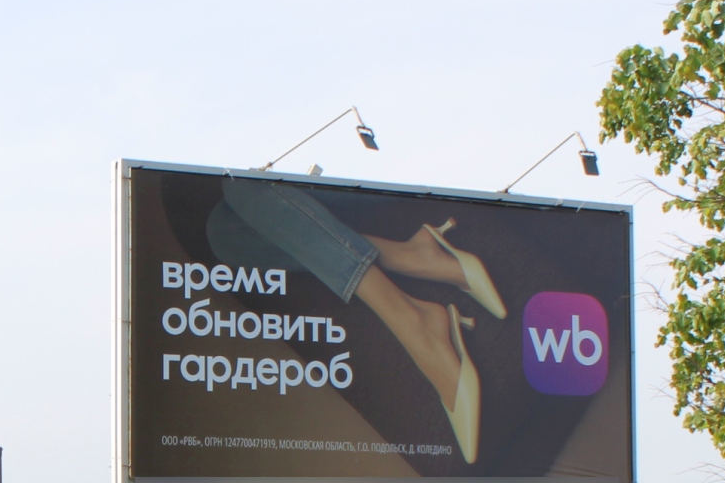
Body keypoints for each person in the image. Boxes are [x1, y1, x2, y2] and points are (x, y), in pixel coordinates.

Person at [206, 177, 509, 459]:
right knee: (224, 233)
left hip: (379, 172)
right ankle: (413, 259)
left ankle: (412, 319)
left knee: (243, 184)